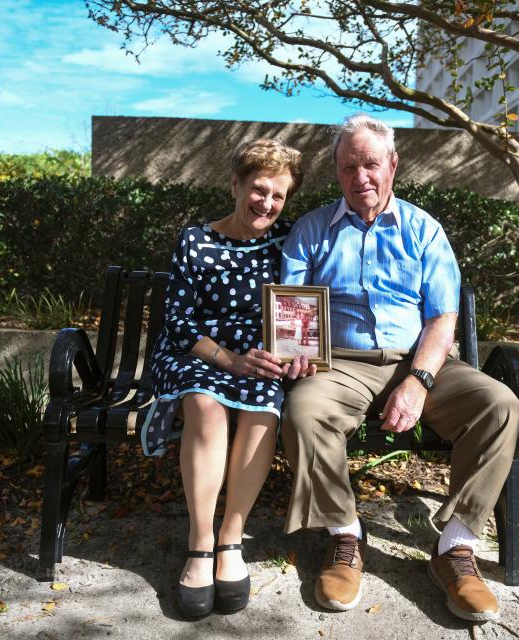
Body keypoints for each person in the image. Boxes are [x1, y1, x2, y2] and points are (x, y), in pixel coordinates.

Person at [280, 115, 519, 622]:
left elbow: (442, 318)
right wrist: (295, 349)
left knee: (499, 404)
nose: (361, 176)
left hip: (420, 361)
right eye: (349, 167)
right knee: (302, 410)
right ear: (337, 171)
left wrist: (419, 380)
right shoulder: (310, 230)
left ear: (393, 164)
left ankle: (454, 548)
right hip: (340, 364)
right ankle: (346, 536)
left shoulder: (424, 230)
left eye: (371, 163)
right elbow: (295, 312)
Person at [146, 138, 316, 620]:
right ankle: (200, 543)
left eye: (278, 195)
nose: (266, 203)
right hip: (196, 351)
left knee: (264, 406)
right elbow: (178, 324)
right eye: (259, 189)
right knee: (203, 403)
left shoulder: (289, 239)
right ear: (235, 184)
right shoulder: (196, 239)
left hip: (258, 358)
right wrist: (227, 359)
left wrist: (299, 352)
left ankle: (230, 541)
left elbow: (302, 305)